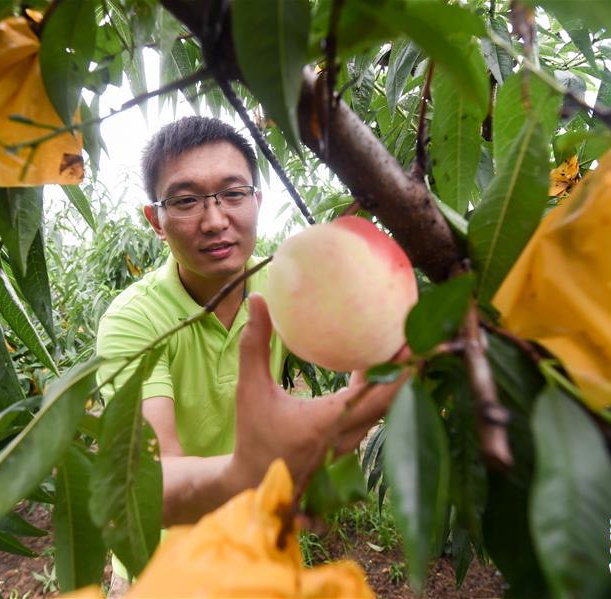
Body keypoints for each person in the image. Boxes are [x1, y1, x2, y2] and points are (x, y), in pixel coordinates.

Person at [95, 116, 408, 592]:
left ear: (257, 200)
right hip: (167, 570)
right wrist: (249, 471)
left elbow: (363, 337)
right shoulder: (134, 321)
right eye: (185, 200)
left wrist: (356, 409)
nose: (215, 220)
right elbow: (150, 482)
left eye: (233, 193)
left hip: (262, 550)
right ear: (155, 221)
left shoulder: (286, 284)